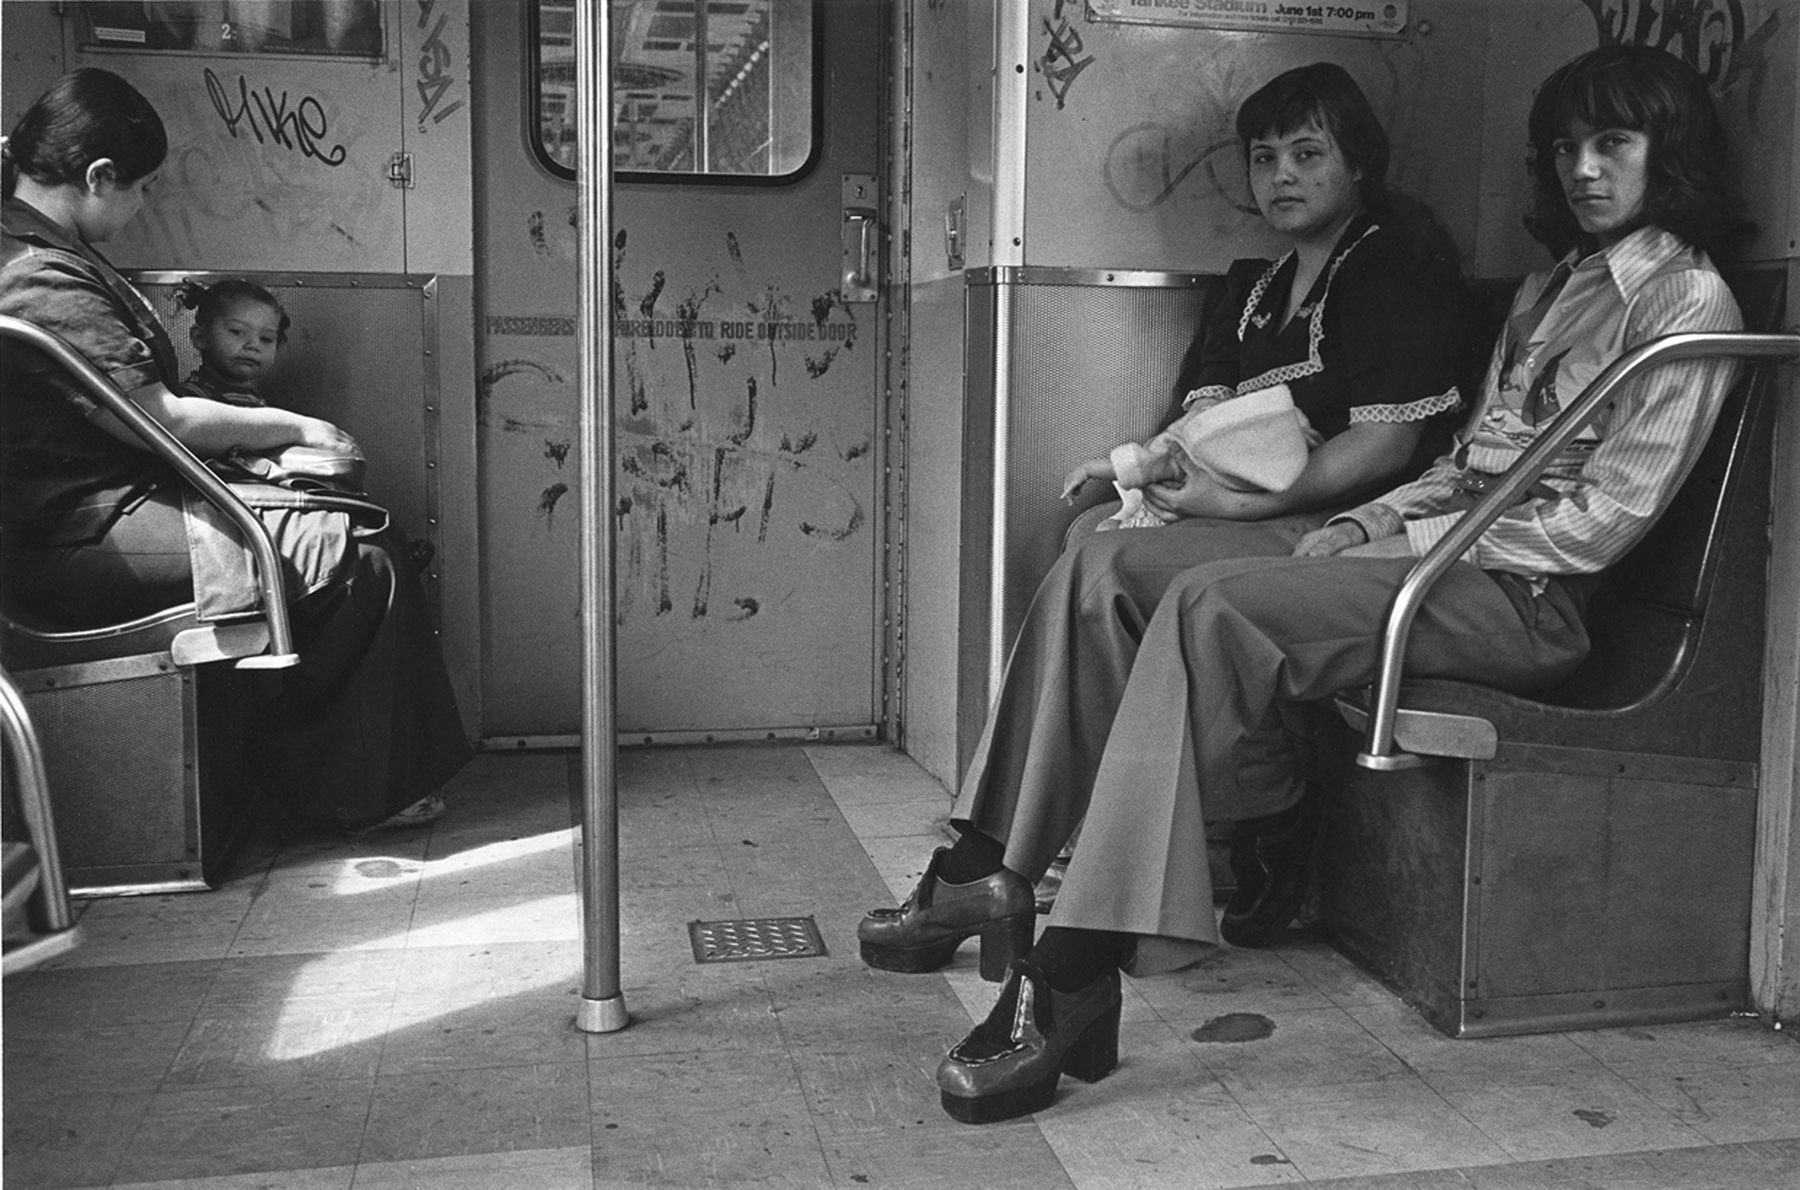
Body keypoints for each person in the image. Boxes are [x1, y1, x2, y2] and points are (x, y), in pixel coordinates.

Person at [867, 44, 1747, 1126]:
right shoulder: (1553, 290)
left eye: (1615, 143)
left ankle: (1075, 965)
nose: (1585, 170)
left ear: (1673, 152)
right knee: (1112, 557)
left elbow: (1597, 523)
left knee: (1210, 605)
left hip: (1521, 595)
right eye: (1567, 147)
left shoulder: (1686, 301)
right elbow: (1470, 459)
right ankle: (990, 857)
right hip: (1442, 549)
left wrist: (1405, 554)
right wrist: (1366, 521)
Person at [860, 59, 1471, 986]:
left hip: (1346, 528)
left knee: (1123, 572)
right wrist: (1140, 475)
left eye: (1310, 154)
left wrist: (1239, 504)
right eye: (1265, 158)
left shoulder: (1391, 262)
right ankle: (994, 856)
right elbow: (1201, 424)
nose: (1284, 176)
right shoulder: (1259, 287)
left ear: (1360, 164)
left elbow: (1387, 451)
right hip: (1251, 510)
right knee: (1092, 546)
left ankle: (1227, 813)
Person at [0, 68, 470, 834]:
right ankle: (342, 792)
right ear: (97, 176)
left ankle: (328, 779)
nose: (144, 204)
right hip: (83, 534)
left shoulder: (42, 251)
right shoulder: (36, 274)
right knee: (360, 562)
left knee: (365, 536)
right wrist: (294, 429)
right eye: (142, 188)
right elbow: (156, 419)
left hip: (113, 507)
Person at [1060, 382, 1324, 530]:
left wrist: (1088, 469)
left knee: (1106, 533)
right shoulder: (1197, 457)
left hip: (1171, 519)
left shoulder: (1235, 467)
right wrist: (1088, 469)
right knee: (1104, 528)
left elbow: (1140, 464)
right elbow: (1140, 464)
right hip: (1157, 511)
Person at [175, 276, 288, 408]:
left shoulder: (254, 400)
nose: (254, 345)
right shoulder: (191, 399)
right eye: (237, 332)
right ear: (200, 337)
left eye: (266, 339)